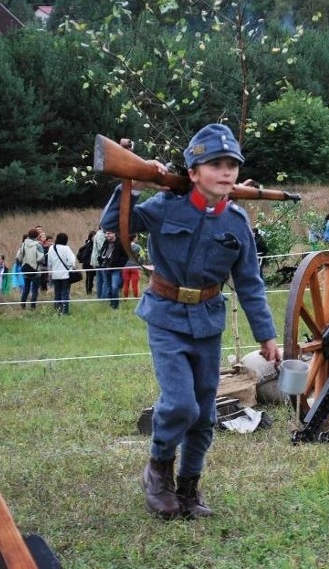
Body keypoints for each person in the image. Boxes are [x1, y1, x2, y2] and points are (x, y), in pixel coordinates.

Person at [100, 123, 281, 521]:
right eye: (215, 163)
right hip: (165, 317)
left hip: (208, 320)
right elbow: (113, 227)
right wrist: (132, 182)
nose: (226, 171)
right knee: (180, 403)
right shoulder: (166, 207)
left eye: (232, 164)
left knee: (204, 412)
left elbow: (249, 282)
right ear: (194, 171)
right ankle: (158, 472)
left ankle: (188, 488)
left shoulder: (236, 221)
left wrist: (266, 336)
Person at [48, 232, 77, 315]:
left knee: (57, 293)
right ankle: (65, 311)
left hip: (55, 275)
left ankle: (57, 310)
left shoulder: (51, 248)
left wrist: (50, 271)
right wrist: (70, 267)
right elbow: (72, 261)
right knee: (65, 293)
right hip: (65, 275)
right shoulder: (66, 248)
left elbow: (49, 262)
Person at [97, 230, 128, 309]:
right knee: (108, 287)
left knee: (114, 286)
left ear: (114, 233)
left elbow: (125, 257)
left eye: (109, 233)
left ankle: (115, 305)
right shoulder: (106, 242)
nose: (107, 235)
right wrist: (100, 260)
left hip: (115, 269)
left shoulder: (120, 243)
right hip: (105, 267)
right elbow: (102, 253)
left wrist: (119, 265)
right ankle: (112, 304)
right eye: (106, 234)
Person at [16, 228, 44, 309]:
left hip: (25, 269)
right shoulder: (38, 245)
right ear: (36, 236)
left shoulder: (24, 244)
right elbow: (41, 258)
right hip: (36, 270)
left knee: (26, 288)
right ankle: (32, 306)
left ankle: (22, 305)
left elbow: (18, 257)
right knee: (35, 290)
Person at [122, 234, 143, 298]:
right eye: (136, 237)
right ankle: (136, 297)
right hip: (135, 267)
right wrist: (140, 264)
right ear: (134, 238)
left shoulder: (124, 246)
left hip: (125, 267)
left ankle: (125, 298)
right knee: (135, 284)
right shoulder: (138, 247)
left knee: (126, 284)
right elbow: (142, 257)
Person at [77, 230, 96, 295]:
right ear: (90, 237)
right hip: (88, 265)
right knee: (89, 278)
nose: (94, 238)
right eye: (93, 237)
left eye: (95, 237)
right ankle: (88, 292)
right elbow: (84, 255)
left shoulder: (97, 244)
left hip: (95, 264)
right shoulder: (88, 245)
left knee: (95, 278)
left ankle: (92, 291)